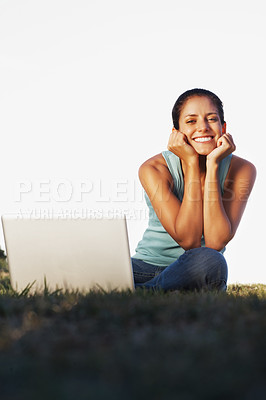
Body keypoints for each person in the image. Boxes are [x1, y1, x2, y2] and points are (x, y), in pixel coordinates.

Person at [131, 88, 256, 292]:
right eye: (191, 121)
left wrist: (213, 164)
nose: (203, 128)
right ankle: (150, 289)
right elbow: (187, 236)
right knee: (96, 264)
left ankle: (141, 291)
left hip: (196, 268)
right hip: (143, 267)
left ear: (223, 127)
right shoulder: (153, 169)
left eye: (211, 119)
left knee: (212, 260)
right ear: (176, 133)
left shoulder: (242, 169)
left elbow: (210, 242)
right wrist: (190, 162)